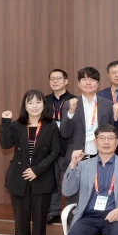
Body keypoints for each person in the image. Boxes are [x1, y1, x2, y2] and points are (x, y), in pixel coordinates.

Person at [0, 90, 60, 235]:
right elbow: (5, 144)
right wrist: (5, 122)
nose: (34, 106)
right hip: (19, 179)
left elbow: (55, 152)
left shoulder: (51, 126)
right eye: (30, 102)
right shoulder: (17, 125)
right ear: (24, 106)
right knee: (21, 222)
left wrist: (36, 170)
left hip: (42, 178)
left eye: (38, 102)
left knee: (40, 222)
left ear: (43, 105)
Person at [60, 67, 115, 235]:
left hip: (102, 161)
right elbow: (64, 133)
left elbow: (115, 133)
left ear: (98, 83)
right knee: (75, 205)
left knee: (101, 204)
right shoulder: (70, 104)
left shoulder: (107, 105)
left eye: (92, 79)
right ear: (78, 83)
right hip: (79, 161)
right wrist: (71, 113)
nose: (88, 82)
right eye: (84, 79)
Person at [44, 69, 76, 225]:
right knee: (52, 181)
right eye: (52, 78)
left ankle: (72, 211)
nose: (55, 81)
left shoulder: (75, 100)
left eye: (58, 78)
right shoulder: (43, 100)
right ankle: (54, 211)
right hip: (49, 148)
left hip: (68, 147)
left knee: (70, 180)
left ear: (66, 81)